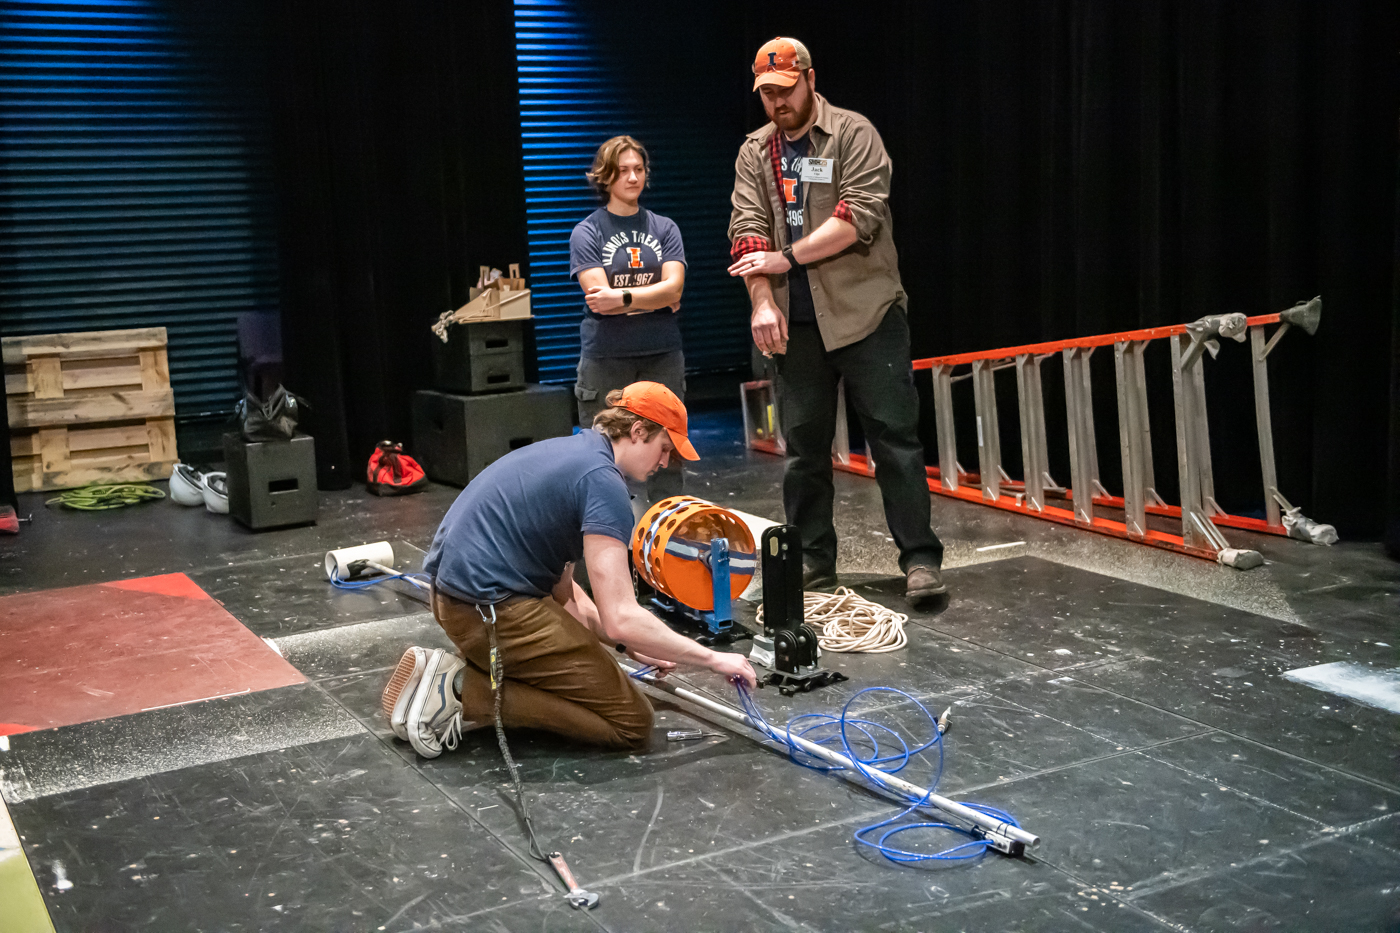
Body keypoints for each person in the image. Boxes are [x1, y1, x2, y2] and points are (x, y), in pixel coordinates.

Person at [383, 382, 757, 758]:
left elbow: (565, 591)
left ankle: (452, 676)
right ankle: (460, 688)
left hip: (455, 600)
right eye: (664, 448)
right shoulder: (603, 485)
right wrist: (713, 659)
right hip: (488, 610)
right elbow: (621, 617)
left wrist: (627, 645)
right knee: (631, 721)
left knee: (586, 677)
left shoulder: (578, 453)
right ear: (638, 431)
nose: (664, 462)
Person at [727, 37, 947, 606]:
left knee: (894, 441)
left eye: (785, 89)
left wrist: (786, 258)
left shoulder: (852, 133)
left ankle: (920, 560)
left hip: (866, 313)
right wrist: (762, 302)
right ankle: (813, 563)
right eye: (766, 94)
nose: (777, 102)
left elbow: (858, 215)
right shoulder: (755, 152)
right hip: (796, 323)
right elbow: (747, 232)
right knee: (804, 450)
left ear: (809, 78)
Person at [569, 136, 688, 503]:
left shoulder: (664, 227)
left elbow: (675, 289)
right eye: (623, 171)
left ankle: (667, 531)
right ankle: (606, 531)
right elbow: (599, 301)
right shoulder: (587, 232)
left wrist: (622, 298)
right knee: (601, 456)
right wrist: (656, 298)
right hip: (606, 357)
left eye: (638, 169)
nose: (633, 177)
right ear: (605, 177)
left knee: (668, 452)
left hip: (661, 353)